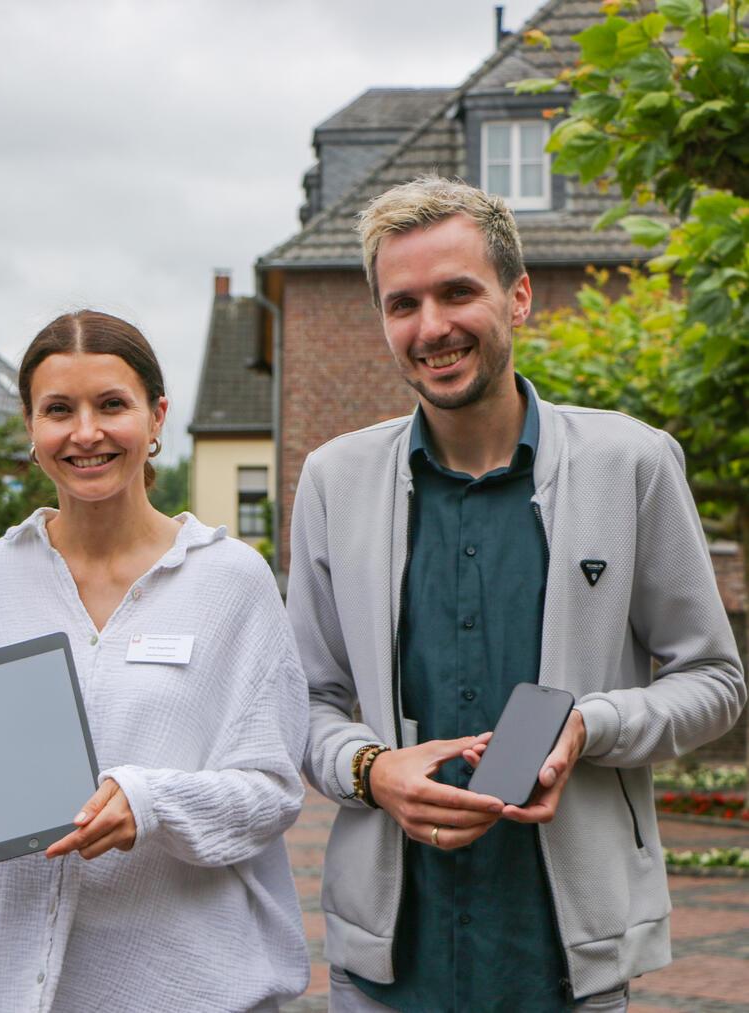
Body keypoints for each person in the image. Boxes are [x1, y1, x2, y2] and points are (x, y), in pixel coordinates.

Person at [288, 175, 746, 1012]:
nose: (432, 327)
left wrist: (590, 724)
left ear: (519, 296)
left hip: (565, 957)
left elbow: (715, 682)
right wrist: (371, 768)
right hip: (387, 960)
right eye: (403, 304)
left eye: (458, 291)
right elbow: (303, 701)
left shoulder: (632, 464)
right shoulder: (331, 479)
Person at [0, 310, 309, 1011]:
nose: (85, 432)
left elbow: (272, 792)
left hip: (180, 986)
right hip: (3, 988)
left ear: (156, 418)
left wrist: (150, 802)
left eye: (111, 405)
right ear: (31, 429)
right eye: (58, 409)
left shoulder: (232, 583)